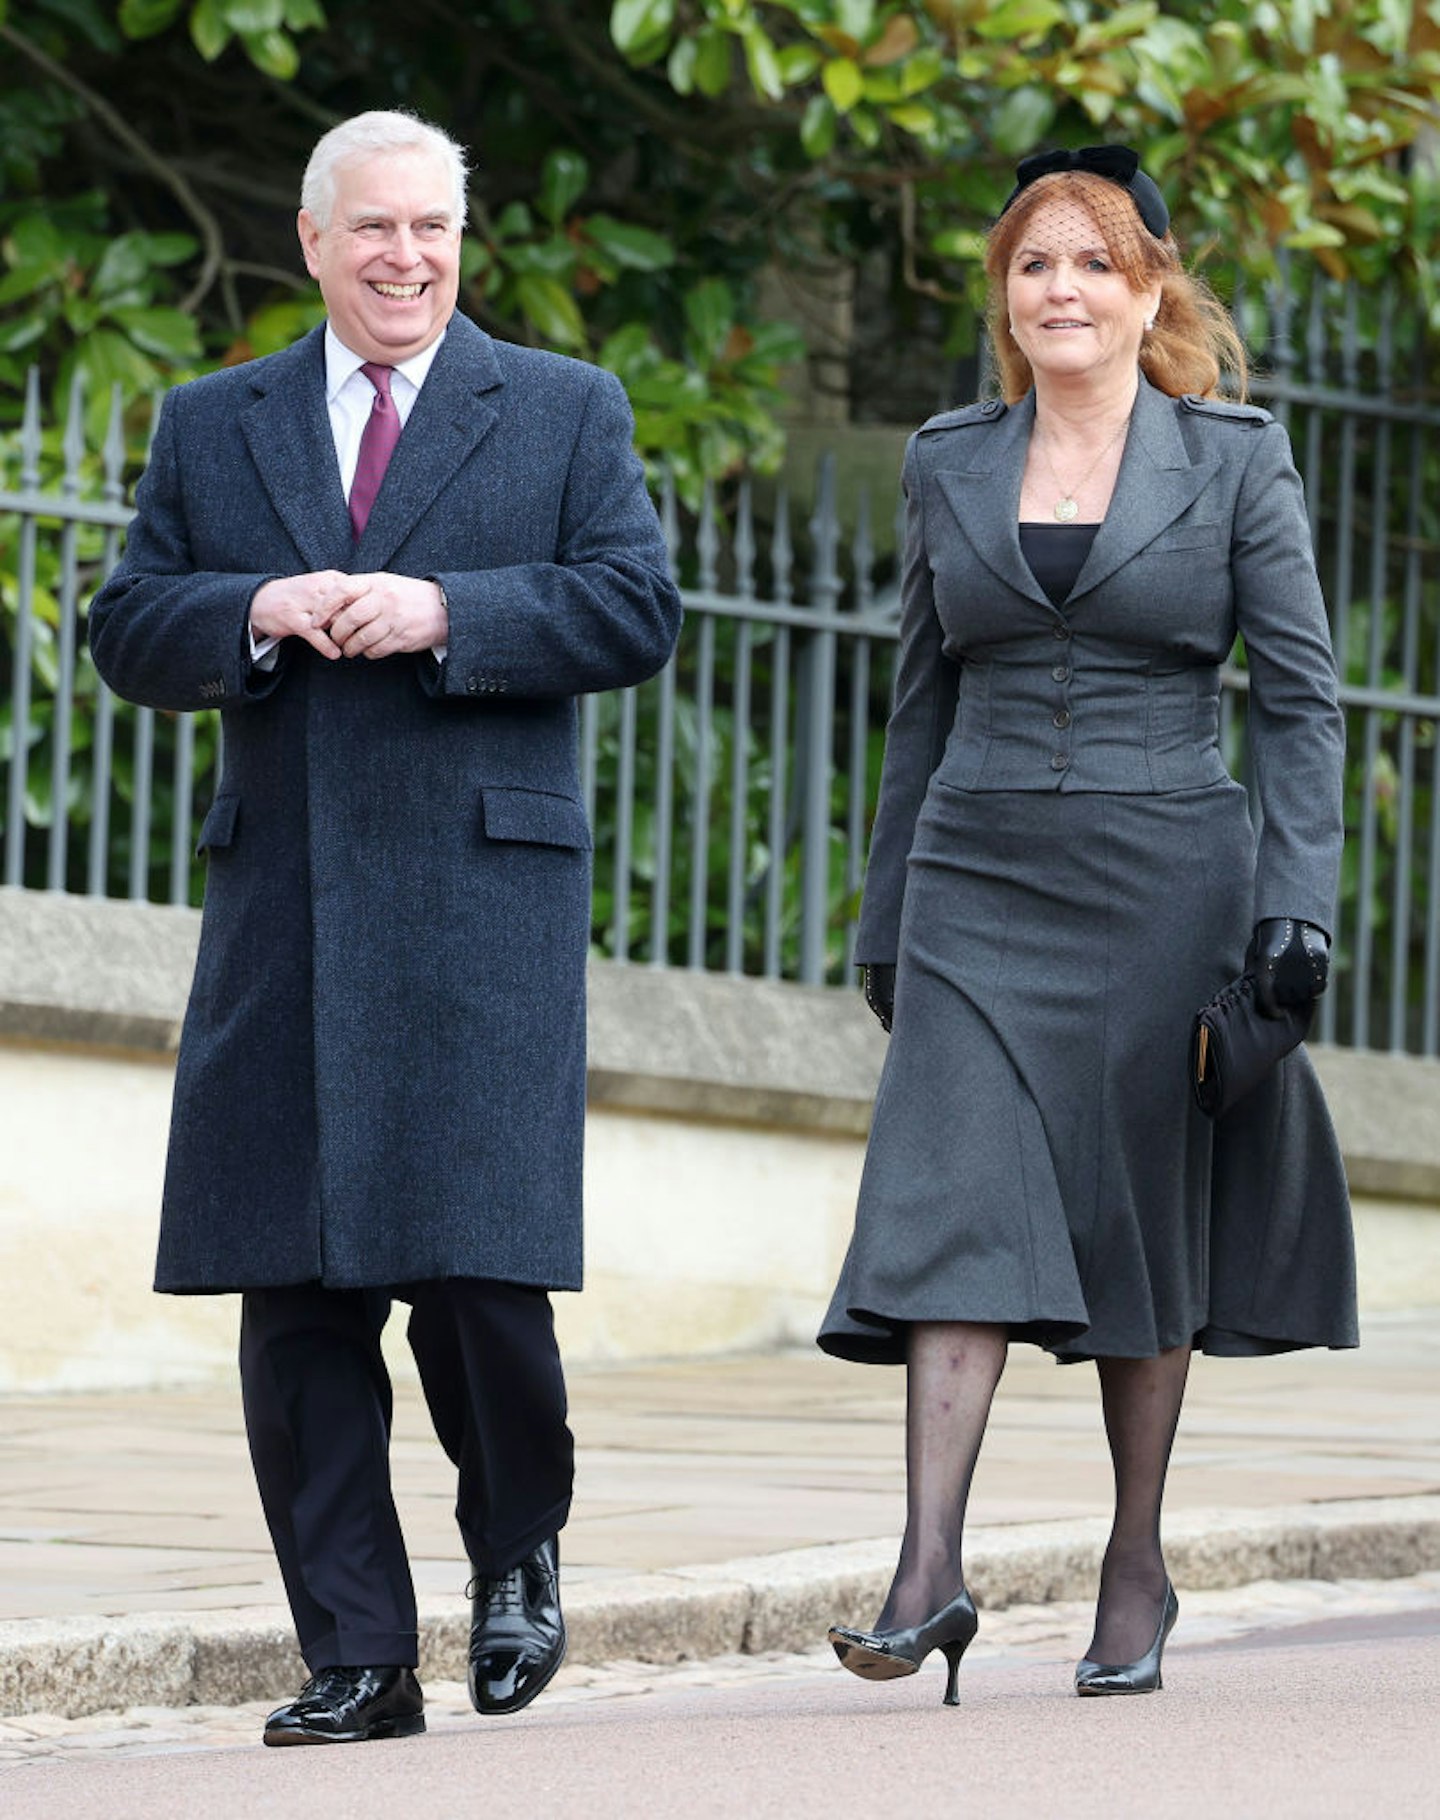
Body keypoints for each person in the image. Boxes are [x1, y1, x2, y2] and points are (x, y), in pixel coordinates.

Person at [88, 109, 682, 1745]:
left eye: (432, 229)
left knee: (481, 1282)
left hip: (480, 904)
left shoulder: (561, 408)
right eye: (374, 232)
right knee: (294, 1302)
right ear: (312, 241)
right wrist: (251, 612)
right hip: (285, 909)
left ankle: (516, 1552)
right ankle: (355, 1652)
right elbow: (128, 622)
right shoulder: (215, 425)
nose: (405, 257)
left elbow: (637, 605)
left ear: (460, 242)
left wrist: (452, 612)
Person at [819, 145, 1355, 1705]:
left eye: (1093, 265)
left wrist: (1293, 911)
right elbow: (918, 699)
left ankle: (1136, 1557)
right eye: (1034, 264)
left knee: (1140, 1224)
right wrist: (889, 908)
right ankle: (929, 1571)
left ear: (1150, 292)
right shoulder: (948, 461)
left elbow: (1305, 701)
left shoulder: (1235, 462)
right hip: (976, 882)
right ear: (1007, 294)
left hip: (1164, 880)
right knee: (951, 1203)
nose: (1061, 289)